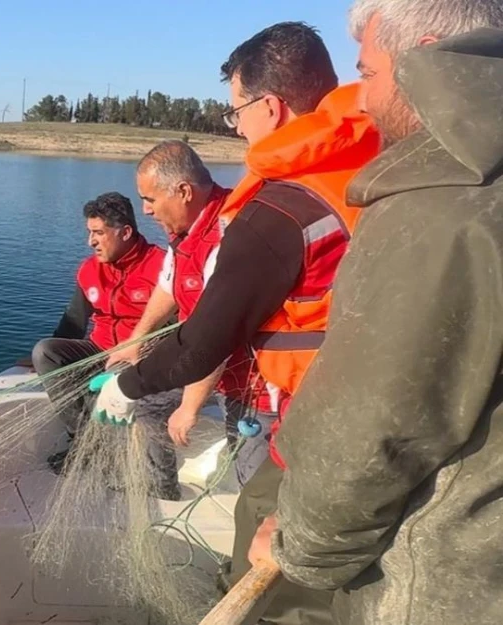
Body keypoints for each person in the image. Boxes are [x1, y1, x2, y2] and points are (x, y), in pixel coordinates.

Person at [90, 22, 382, 624]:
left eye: (236, 111)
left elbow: (201, 347)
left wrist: (129, 384)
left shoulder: (277, 212)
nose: (236, 125)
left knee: (262, 535)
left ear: (270, 107)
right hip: (378, 395)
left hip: (319, 413)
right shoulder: (379, 171)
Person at [246, 5, 503, 625]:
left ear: (430, 54)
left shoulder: (437, 204)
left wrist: (296, 542)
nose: (359, 102)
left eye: (369, 73)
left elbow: (376, 426)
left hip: (446, 583)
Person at [115, 139, 276, 487]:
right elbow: (169, 285)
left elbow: (219, 335)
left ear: (184, 191)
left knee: (255, 486)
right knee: (147, 405)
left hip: (253, 384)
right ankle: (160, 494)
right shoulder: (186, 232)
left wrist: (189, 408)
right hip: (203, 362)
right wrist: (136, 339)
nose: (144, 210)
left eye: (150, 199)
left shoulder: (231, 235)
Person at [26, 192, 169, 481]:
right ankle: (84, 440)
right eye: (89, 232)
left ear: (126, 232)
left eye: (98, 233)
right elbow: (74, 323)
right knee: (44, 352)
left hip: (141, 357)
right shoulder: (89, 270)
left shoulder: (163, 268)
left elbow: (179, 328)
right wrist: (35, 360)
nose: (90, 241)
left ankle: (126, 458)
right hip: (99, 350)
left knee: (116, 377)